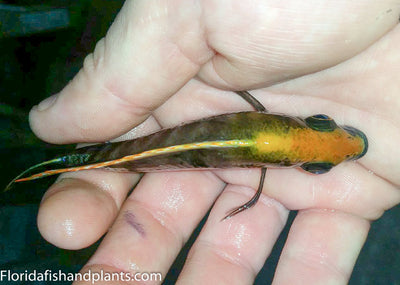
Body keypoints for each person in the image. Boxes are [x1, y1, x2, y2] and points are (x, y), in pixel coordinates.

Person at [30, 1, 400, 283]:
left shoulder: (266, 113)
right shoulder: (266, 170)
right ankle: (69, 162)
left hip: (193, 141)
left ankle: (67, 162)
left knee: (108, 158)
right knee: (104, 164)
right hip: (193, 149)